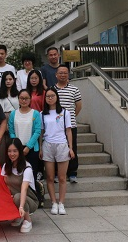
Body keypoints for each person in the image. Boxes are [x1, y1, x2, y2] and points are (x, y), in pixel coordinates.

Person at [40, 87, 74, 215]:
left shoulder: (65, 112)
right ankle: (53, 202)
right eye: (47, 96)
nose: (50, 98)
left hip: (62, 144)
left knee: (62, 177)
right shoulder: (42, 114)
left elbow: (68, 131)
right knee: (49, 177)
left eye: (52, 96)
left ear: (57, 97)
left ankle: (61, 203)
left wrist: (70, 148)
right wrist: (40, 147)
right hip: (47, 145)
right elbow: (41, 132)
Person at [8, 90, 43, 207]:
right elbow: (11, 131)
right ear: (18, 99)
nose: (24, 100)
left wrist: (28, 146)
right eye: (21, 98)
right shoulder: (13, 114)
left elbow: (37, 131)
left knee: (31, 174)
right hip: (17, 149)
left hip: (31, 148)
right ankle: (19, 199)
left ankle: (33, 199)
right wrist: (16, 146)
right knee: (18, 174)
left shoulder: (35, 114)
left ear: (30, 99)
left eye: (26, 98)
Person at [1, 138, 38, 233]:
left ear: (20, 152)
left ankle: (27, 220)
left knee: (18, 197)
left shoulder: (27, 168)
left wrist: (21, 207)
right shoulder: (6, 166)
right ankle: (18, 216)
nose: (12, 154)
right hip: (13, 197)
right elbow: (3, 185)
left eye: (15, 151)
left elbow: (24, 189)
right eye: (9, 151)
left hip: (29, 200)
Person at [54, 66, 82, 184]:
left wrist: (70, 118)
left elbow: (78, 106)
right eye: (60, 73)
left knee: (72, 148)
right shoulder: (52, 90)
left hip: (71, 125)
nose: (63, 75)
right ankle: (57, 173)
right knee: (57, 149)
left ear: (68, 74)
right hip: (56, 126)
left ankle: (72, 173)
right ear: (56, 74)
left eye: (65, 73)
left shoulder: (74, 89)